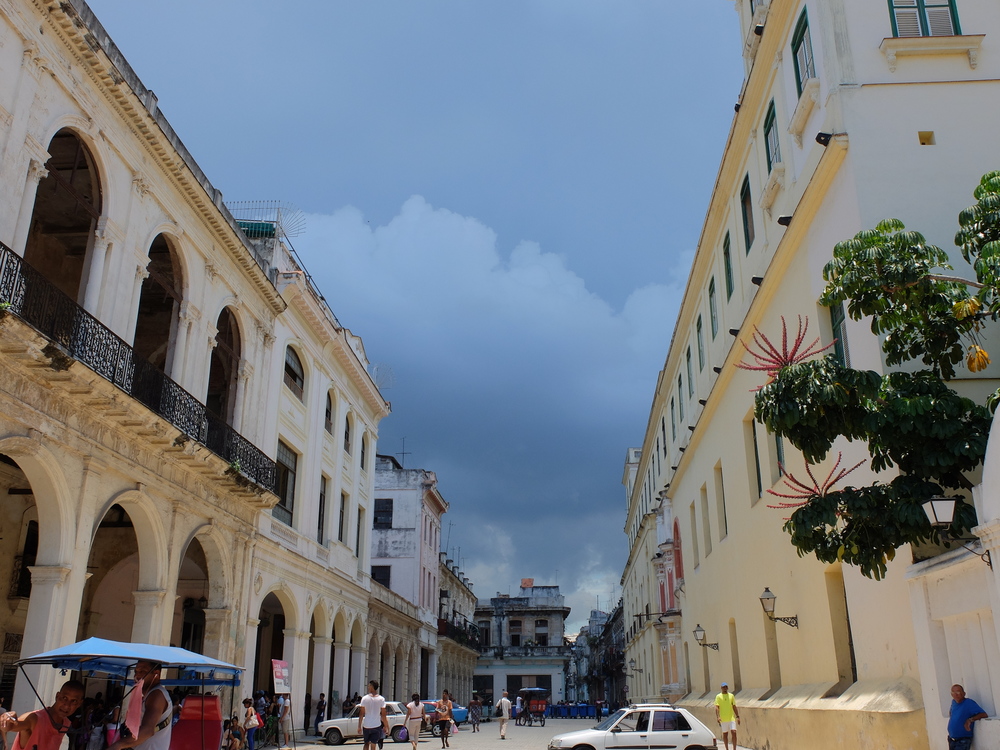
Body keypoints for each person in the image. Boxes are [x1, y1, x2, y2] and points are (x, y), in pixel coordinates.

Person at [0, 679, 84, 750]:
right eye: (64, 698)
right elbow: (13, 726)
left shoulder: (65, 723)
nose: (67, 705)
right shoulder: (34, 718)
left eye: (74, 701)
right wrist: (7, 719)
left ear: (79, 704)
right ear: (57, 696)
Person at [948, 684, 988, 750]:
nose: (955, 694)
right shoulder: (953, 702)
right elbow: (951, 713)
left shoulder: (969, 703)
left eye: (958, 692)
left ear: (964, 693)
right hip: (952, 739)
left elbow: (983, 714)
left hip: (962, 740)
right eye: (953, 692)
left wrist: (970, 720)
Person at [358, 680, 389, 750]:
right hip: (376, 725)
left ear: (372, 687)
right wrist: (386, 726)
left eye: (369, 686)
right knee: (373, 744)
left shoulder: (364, 698)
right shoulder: (381, 699)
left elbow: (361, 713)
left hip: (366, 725)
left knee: (366, 743)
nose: (368, 687)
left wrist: (359, 726)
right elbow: (383, 714)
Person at [714, 682, 740, 750]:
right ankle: (727, 748)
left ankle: (734, 748)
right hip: (723, 718)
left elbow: (734, 706)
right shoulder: (718, 696)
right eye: (723, 687)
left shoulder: (731, 696)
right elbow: (717, 707)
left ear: (727, 688)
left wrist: (737, 716)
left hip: (731, 718)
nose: (725, 688)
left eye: (726, 687)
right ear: (721, 688)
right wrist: (718, 717)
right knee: (725, 734)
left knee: (734, 732)